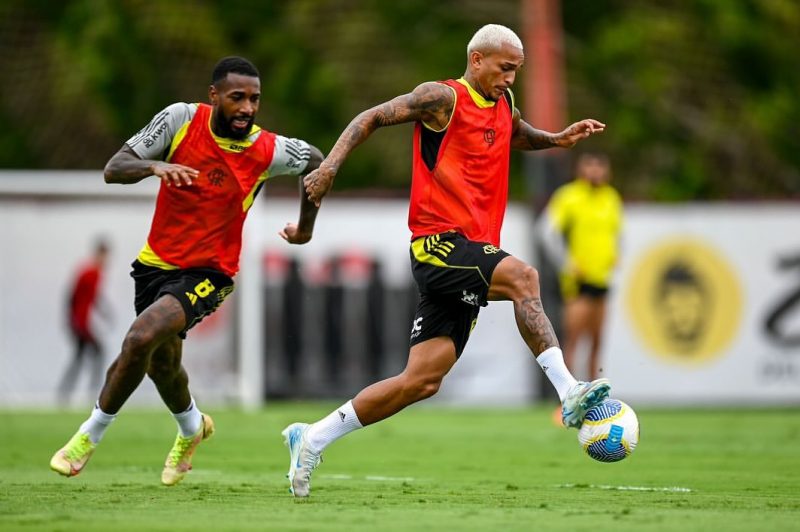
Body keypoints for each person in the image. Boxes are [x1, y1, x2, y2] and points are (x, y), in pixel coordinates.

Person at [282, 24, 610, 498]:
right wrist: (330, 165)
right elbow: (369, 118)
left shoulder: (502, 104)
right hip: (438, 244)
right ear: (477, 59)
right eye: (504, 68)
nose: (511, 79)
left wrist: (556, 139)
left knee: (421, 381)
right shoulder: (441, 98)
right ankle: (569, 392)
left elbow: (514, 132)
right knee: (525, 276)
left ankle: (311, 438)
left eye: (517, 71)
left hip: (467, 254)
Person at [50, 56, 323, 486]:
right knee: (161, 365)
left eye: (254, 99)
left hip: (210, 274)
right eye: (237, 98)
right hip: (154, 267)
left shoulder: (266, 149)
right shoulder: (179, 119)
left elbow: (315, 161)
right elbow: (114, 168)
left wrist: (305, 230)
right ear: (213, 95)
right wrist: (155, 165)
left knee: (139, 337)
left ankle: (87, 437)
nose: (248, 108)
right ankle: (193, 428)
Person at [539, 153, 622, 423]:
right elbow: (546, 231)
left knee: (597, 342)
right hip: (579, 281)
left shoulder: (611, 198)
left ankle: (596, 401)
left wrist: (616, 255)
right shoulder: (569, 196)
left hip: (602, 279)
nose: (596, 170)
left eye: (600, 164)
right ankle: (566, 400)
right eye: (591, 164)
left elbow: (616, 234)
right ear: (580, 169)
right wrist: (566, 263)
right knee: (573, 340)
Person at [57, 239, 112, 404]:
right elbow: (73, 295)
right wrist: (73, 321)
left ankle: (66, 393)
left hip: (81, 322)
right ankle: (93, 393)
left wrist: (105, 312)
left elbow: (93, 297)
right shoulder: (90, 272)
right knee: (97, 353)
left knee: (80, 357)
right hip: (81, 323)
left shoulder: (95, 273)